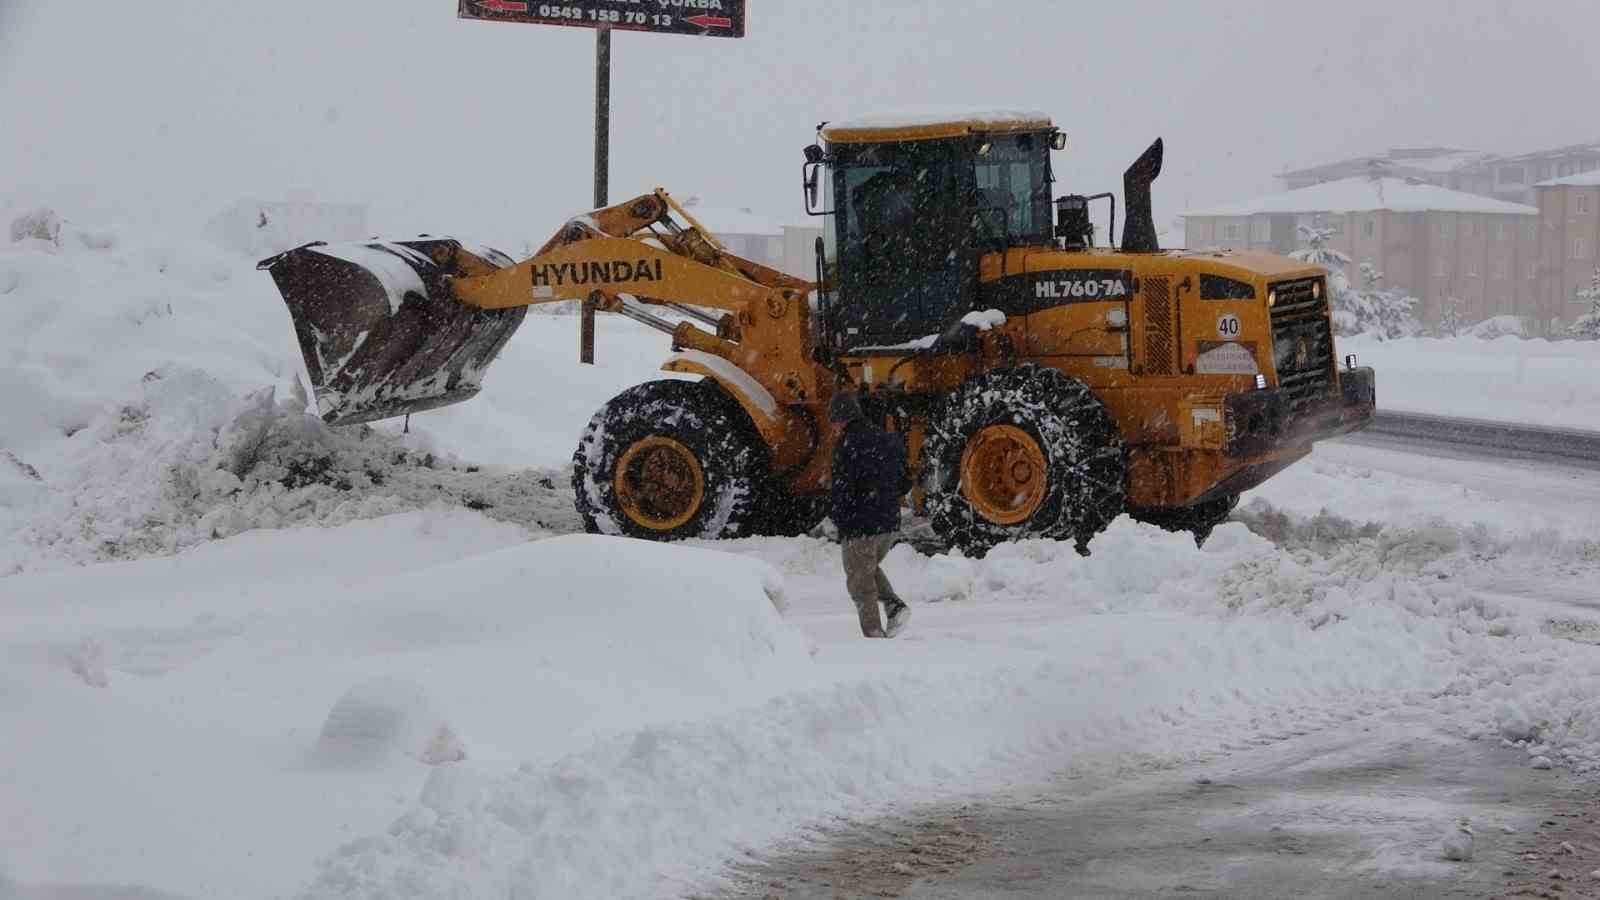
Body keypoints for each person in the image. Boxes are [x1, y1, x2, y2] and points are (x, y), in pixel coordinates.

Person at [828, 387, 913, 638]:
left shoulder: (846, 446)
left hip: (860, 523)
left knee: (859, 583)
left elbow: (842, 488)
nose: (833, 428)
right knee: (865, 569)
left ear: (840, 419)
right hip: (888, 523)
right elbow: (905, 483)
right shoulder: (886, 439)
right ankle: (894, 607)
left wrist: (838, 516)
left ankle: (874, 635)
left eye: (833, 422)